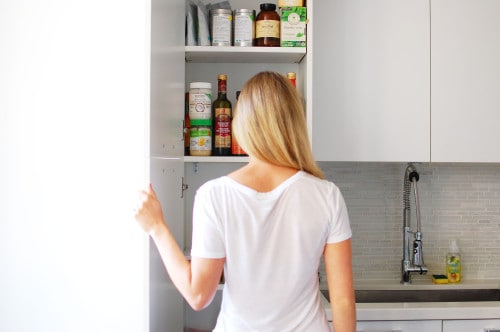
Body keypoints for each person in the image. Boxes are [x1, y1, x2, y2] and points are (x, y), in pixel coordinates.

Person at [135, 71, 356, 331]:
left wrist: (157, 228)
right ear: (295, 122)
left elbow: (198, 295)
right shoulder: (327, 195)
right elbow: (341, 301)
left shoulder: (214, 195)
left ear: (242, 125)